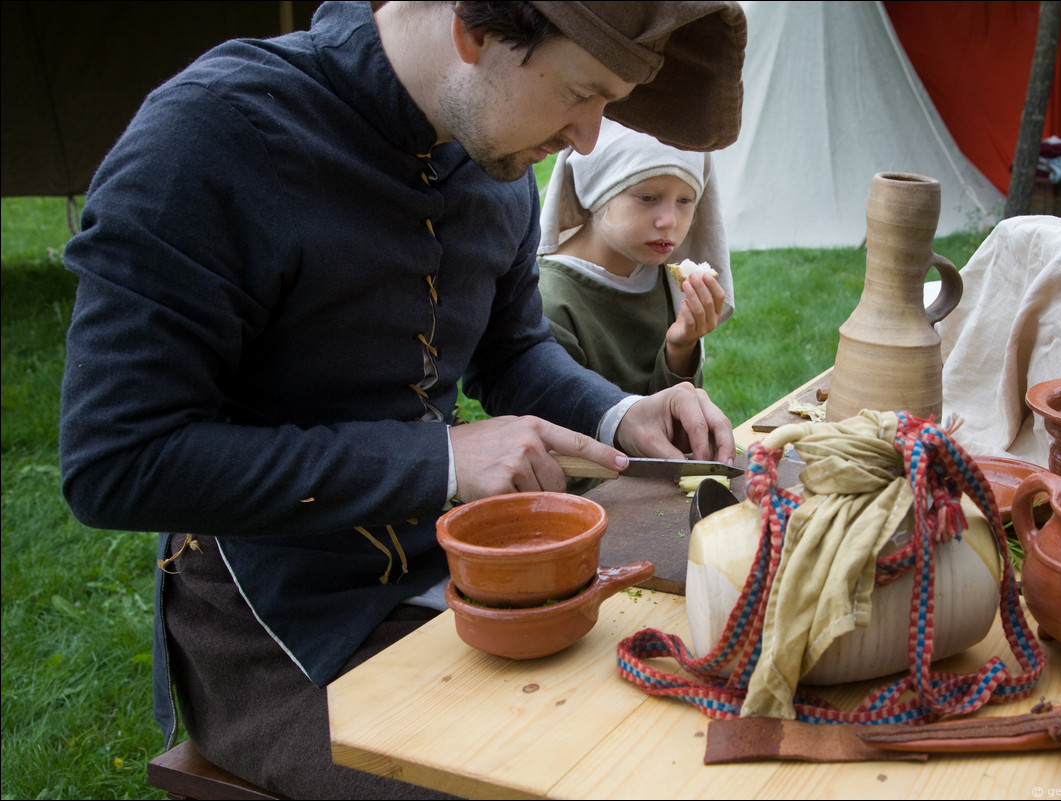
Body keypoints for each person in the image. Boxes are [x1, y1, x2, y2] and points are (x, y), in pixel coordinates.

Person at [56, 2, 746, 798]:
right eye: (582, 93)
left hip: (468, 570)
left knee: (675, 721)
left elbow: (512, 349)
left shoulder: (495, 158)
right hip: (279, 634)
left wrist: (621, 409)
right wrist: (441, 459)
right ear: (474, 30)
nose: (588, 139)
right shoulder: (213, 137)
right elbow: (116, 460)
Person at [538, 118, 736, 396]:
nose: (669, 221)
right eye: (647, 197)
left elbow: (674, 420)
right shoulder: (551, 302)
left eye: (685, 201)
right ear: (599, 191)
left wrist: (681, 346)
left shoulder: (665, 279)